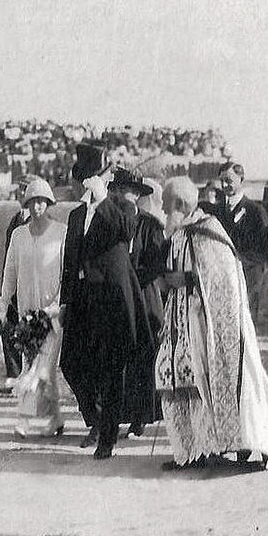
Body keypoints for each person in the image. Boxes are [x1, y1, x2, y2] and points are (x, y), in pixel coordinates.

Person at [155, 177, 268, 471]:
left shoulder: (209, 232)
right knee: (179, 380)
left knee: (213, 382)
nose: (163, 210)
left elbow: (225, 280)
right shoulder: (181, 232)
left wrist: (189, 280)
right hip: (181, 327)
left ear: (181, 204)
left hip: (207, 328)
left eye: (166, 205)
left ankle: (230, 447)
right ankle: (193, 451)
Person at [59, 143, 154, 459]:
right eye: (86, 178)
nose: (87, 183)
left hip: (111, 299)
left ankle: (107, 437)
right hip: (82, 299)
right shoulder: (75, 215)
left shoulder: (121, 208)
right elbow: (70, 262)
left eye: (93, 177)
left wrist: (102, 199)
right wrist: (64, 301)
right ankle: (97, 420)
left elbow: (126, 231)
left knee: (111, 369)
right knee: (70, 362)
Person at [0, 177, 66, 437]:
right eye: (33, 202)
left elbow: (64, 273)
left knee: (40, 368)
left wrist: (57, 305)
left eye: (42, 202)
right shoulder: (18, 235)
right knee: (37, 367)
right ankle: (56, 418)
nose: (38, 207)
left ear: (48, 203)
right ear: (26, 204)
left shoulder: (60, 232)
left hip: (52, 314)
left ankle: (23, 419)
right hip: (28, 314)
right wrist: (4, 304)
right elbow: (10, 272)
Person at [108, 167, 166, 437]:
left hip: (143, 296)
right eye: (119, 190)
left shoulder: (150, 225)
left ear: (137, 195)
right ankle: (118, 414)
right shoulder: (109, 222)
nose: (124, 196)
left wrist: (132, 278)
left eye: (129, 191)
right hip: (118, 298)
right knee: (119, 357)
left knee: (144, 356)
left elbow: (156, 264)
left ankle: (141, 417)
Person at [215, 162, 268, 325]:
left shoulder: (255, 210)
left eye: (229, 180)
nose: (224, 185)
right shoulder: (217, 211)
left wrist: (240, 261)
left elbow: (265, 247)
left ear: (241, 179)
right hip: (223, 275)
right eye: (222, 180)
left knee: (246, 322)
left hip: (249, 275)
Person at [0, 174, 37, 395]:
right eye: (20, 190)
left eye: (24, 190)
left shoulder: (36, 221)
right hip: (13, 284)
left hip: (30, 284)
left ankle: (28, 379)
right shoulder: (16, 219)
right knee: (8, 330)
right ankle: (13, 376)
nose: (20, 194)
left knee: (30, 334)